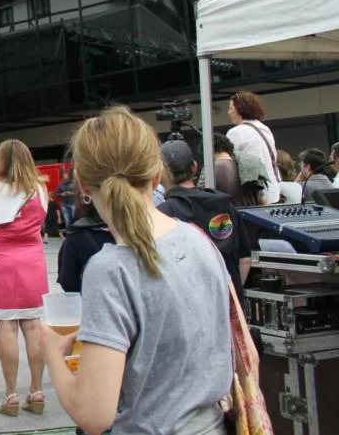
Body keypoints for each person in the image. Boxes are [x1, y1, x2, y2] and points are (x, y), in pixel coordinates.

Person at [42, 106, 232, 435]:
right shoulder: (199, 240)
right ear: (157, 175)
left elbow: (94, 416)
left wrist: (51, 355)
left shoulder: (110, 269)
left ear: (83, 184)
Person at [0, 141, 49, 417]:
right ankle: (37, 391)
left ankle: (11, 395)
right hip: (32, 260)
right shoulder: (40, 188)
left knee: (6, 328)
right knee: (33, 325)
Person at [158, 140, 252, 294]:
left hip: (191, 305)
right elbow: (245, 259)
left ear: (160, 174)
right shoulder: (225, 205)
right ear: (195, 167)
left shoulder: (162, 214)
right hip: (230, 303)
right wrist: (232, 295)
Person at [56, 185, 114, 295]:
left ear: (85, 194)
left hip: (94, 301)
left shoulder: (77, 235)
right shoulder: (144, 229)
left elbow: (68, 284)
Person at [226, 91, 281, 204]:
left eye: (231, 108)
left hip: (254, 196)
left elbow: (227, 164)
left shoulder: (236, 132)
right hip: (274, 191)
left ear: (240, 109)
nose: (228, 112)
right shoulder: (264, 128)